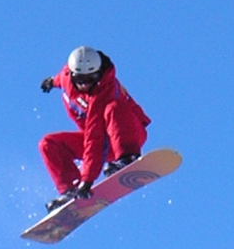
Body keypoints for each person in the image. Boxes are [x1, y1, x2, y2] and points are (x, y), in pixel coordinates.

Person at [39, 46, 151, 212]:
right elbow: (60, 79)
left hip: (129, 135)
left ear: (98, 75)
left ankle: (128, 157)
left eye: (91, 78)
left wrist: (88, 179)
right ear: (72, 74)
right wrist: (51, 81)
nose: (85, 84)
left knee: (113, 107)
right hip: (104, 144)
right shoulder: (66, 77)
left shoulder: (103, 91)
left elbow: (95, 138)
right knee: (48, 143)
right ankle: (70, 190)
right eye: (80, 79)